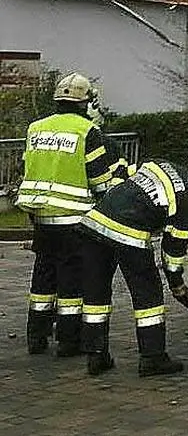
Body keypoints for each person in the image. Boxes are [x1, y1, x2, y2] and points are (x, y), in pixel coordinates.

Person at [79, 148, 188, 377]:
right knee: (148, 297)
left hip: (93, 223)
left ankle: (96, 355)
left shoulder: (158, 162)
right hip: (129, 234)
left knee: (96, 295)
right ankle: (153, 358)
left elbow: (122, 178)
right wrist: (177, 283)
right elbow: (173, 249)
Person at [14, 72, 115, 356]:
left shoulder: (36, 128)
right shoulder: (87, 131)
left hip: (41, 216)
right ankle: (69, 342)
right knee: (71, 281)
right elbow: (99, 182)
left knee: (43, 277)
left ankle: (36, 337)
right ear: (86, 102)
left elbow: (28, 167)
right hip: (74, 219)